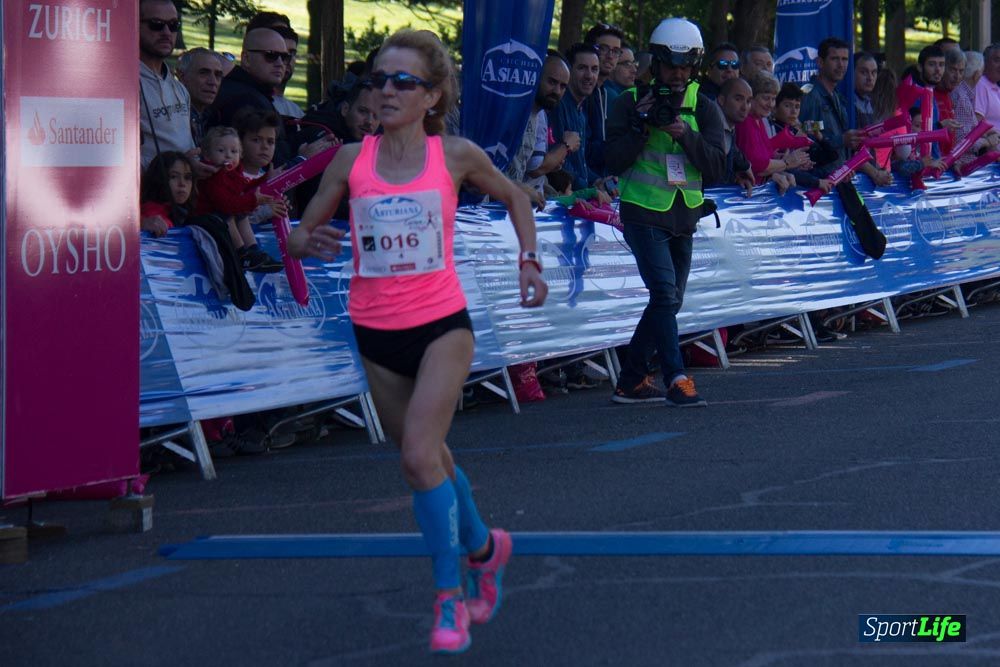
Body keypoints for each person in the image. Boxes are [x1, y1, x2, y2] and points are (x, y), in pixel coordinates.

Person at [287, 29, 547, 655]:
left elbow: (516, 195)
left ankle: (449, 595)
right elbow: (300, 231)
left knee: (415, 458)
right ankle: (486, 548)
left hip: (440, 325)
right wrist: (302, 243)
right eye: (379, 79)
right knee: (428, 459)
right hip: (375, 331)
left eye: (403, 81)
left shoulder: (453, 155)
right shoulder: (351, 159)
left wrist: (529, 260)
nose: (386, 91)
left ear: (432, 95)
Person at [605, 17, 725, 407]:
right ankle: (676, 376)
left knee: (669, 301)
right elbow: (607, 159)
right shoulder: (627, 102)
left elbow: (719, 166)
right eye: (672, 66)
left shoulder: (703, 107)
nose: (678, 74)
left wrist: (684, 134)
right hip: (642, 211)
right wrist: (640, 125)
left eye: (686, 67)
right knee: (662, 292)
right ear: (655, 64)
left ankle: (631, 381)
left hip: (683, 215)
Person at [194, 125, 285, 272]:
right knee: (228, 216)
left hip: (221, 214)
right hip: (208, 218)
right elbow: (226, 204)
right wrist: (254, 200)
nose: (228, 155)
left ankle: (254, 250)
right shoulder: (213, 176)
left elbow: (245, 188)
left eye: (234, 151)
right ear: (207, 155)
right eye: (221, 151)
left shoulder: (233, 173)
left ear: (240, 154)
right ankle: (242, 254)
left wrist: (265, 179)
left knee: (241, 215)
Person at [138, 0, 199, 170]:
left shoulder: (179, 89)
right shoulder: (126, 85)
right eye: (156, 25)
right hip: (148, 192)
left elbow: (189, 147)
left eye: (173, 25)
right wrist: (178, 166)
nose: (166, 32)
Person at [800, 37, 861, 173]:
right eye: (835, 59)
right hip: (818, 182)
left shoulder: (837, 96)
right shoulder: (809, 94)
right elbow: (803, 133)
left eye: (844, 59)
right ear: (820, 62)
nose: (841, 65)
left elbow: (818, 128)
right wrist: (841, 140)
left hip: (837, 178)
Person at [550, 43, 603, 190]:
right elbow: (556, 161)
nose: (589, 76)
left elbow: (580, 165)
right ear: (569, 71)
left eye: (594, 69)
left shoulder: (581, 111)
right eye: (582, 68)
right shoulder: (557, 104)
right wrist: (587, 190)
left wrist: (598, 181)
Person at [582, 23, 626, 177]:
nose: (610, 56)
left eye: (616, 51)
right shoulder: (579, 92)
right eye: (604, 48)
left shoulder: (605, 92)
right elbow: (582, 150)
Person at [712, 77, 755, 194]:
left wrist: (736, 177)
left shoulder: (730, 122)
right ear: (721, 100)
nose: (745, 107)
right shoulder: (709, 122)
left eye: (748, 101)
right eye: (738, 99)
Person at [177, 48, 224, 148]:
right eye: (203, 73)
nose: (213, 82)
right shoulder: (173, 118)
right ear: (182, 76)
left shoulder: (216, 117)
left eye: (218, 75)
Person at [141, 151, 195, 236]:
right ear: (158, 179)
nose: (182, 183)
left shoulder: (184, 212)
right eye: (173, 176)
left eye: (187, 177)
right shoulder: (153, 217)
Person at [974, 44, 1000, 131]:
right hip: (988, 144)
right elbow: (976, 123)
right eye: (997, 60)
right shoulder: (980, 85)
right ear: (985, 62)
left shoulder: (995, 86)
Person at [854, 52, 878, 129]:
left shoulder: (873, 103)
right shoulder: (844, 103)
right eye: (864, 72)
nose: (870, 78)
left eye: (873, 72)